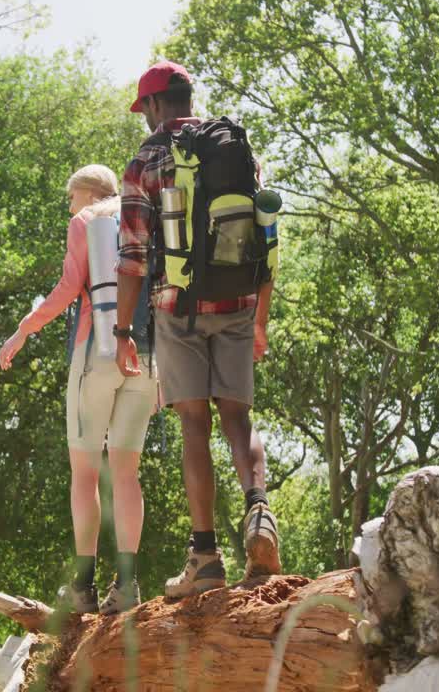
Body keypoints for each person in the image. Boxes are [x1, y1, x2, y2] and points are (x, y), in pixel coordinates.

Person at [113, 61, 282, 599]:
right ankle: (259, 511)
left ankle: (204, 556)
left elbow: (133, 258)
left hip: (177, 305)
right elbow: (265, 234)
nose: (144, 120)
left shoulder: (146, 161)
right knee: (238, 415)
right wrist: (260, 318)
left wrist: (123, 333)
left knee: (194, 424)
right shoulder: (235, 147)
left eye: (145, 110)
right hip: (237, 298)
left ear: (158, 105)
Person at [0, 164, 157, 615]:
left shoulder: (85, 223)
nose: (70, 205)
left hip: (97, 353)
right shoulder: (143, 218)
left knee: (85, 473)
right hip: (145, 357)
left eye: (72, 196)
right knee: (127, 474)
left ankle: (83, 587)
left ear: (90, 193)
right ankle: (127, 586)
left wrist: (24, 329)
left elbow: (70, 287)